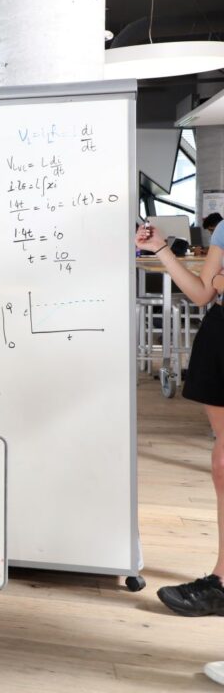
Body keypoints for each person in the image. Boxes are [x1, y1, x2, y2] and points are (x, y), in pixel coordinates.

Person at [134, 223, 224, 624]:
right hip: (221, 335)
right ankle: (221, 583)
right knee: (223, 465)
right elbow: (204, 291)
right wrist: (161, 249)